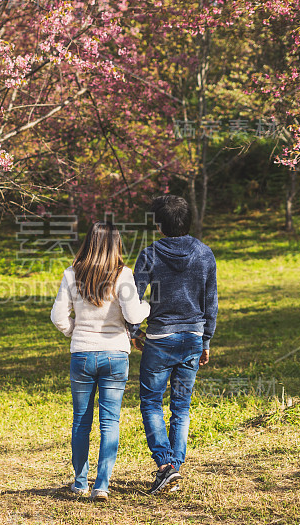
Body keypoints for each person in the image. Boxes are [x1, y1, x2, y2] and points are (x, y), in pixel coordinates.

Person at [51, 221, 150, 502]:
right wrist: (148, 306)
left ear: (89, 242)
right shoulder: (124, 275)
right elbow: (134, 316)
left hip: (81, 354)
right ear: (116, 244)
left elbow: (58, 317)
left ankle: (80, 482)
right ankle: (102, 485)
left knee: (81, 422)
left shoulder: (71, 274)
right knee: (110, 422)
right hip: (115, 355)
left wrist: (76, 332)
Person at [131, 195, 218, 495]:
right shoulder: (205, 254)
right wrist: (206, 339)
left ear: (160, 224)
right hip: (192, 339)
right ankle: (174, 469)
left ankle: (165, 466)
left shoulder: (149, 254)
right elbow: (211, 302)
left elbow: (133, 297)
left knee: (152, 403)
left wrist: (133, 330)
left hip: (159, 340)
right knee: (181, 407)